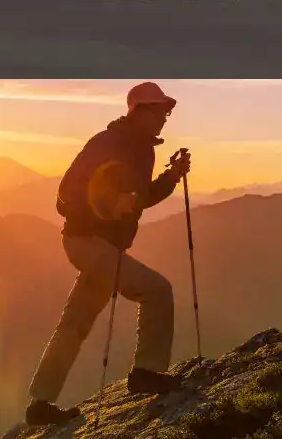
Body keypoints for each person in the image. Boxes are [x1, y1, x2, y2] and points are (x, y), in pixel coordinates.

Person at [24, 81, 191, 427]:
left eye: (167, 111)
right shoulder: (108, 142)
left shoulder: (143, 150)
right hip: (87, 241)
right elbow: (68, 191)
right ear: (138, 111)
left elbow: (140, 199)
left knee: (75, 323)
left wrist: (172, 176)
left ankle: (40, 405)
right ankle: (146, 372)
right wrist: (109, 203)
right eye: (159, 110)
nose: (165, 117)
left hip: (100, 246)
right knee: (157, 291)